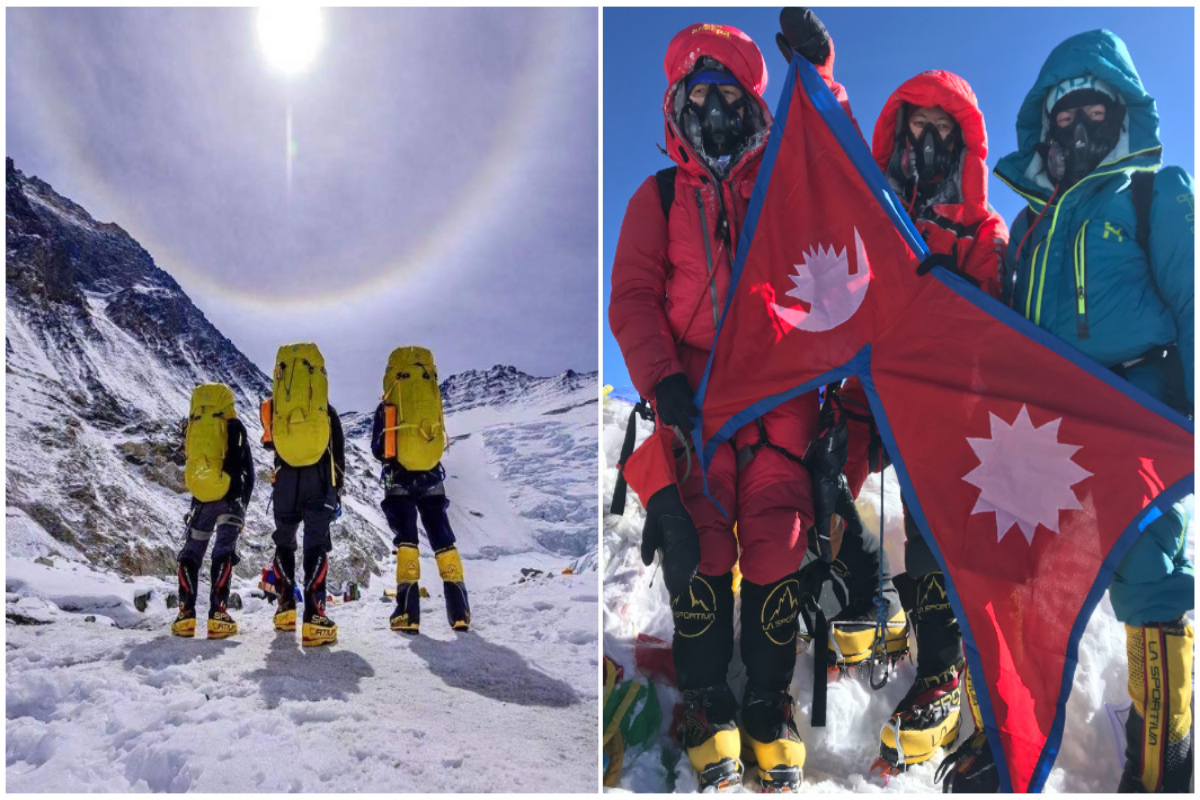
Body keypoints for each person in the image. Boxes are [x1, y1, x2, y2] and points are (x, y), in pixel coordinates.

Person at [610, 10, 891, 791]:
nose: (715, 110)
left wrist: (820, 71)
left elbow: (841, 173)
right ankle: (707, 698)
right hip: (691, 399)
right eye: (699, 96)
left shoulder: (787, 184)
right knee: (700, 544)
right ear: (677, 107)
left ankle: (766, 704)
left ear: (754, 106)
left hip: (779, 393)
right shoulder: (657, 197)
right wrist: (662, 378)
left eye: (731, 96)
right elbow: (632, 297)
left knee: (779, 539)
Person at [936, 30, 1194, 793]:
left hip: (1134, 408)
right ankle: (1005, 736)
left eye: (1096, 111)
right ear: (1044, 129)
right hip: (1045, 428)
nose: (1080, 129)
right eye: (1066, 116)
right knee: (1007, 567)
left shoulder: (1155, 194)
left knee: (1148, 571)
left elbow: (1194, 302)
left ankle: (1162, 754)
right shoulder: (1030, 230)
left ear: (1123, 118)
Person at [836, 69, 1009, 776]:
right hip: (860, 390)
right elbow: (827, 147)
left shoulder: (982, 228)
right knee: (815, 494)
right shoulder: (867, 206)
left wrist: (961, 297)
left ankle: (941, 668)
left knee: (931, 517)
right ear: (898, 134)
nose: (929, 142)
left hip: (934, 405)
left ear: (962, 145)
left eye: (946, 131)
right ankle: (877, 608)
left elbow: (996, 319)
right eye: (919, 127)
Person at [370, 346, 470, 633]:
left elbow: (378, 448)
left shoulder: (389, 405)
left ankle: (408, 612)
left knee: (407, 541)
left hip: (398, 479)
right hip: (431, 477)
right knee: (442, 539)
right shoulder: (431, 399)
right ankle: (459, 611)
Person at [261, 342, 345, 648]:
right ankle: (314, 617)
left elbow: (271, 443)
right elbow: (338, 451)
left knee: (284, 541)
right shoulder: (325, 412)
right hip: (319, 480)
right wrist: (337, 488)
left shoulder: (278, 407)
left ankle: (285, 608)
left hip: (284, 480)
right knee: (315, 545)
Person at [173, 382, 255, 639]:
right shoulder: (234, 426)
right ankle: (218, 613)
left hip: (201, 499)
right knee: (223, 551)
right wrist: (243, 504)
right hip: (230, 498)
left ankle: (185, 615)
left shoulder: (193, 427)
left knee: (192, 552)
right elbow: (248, 470)